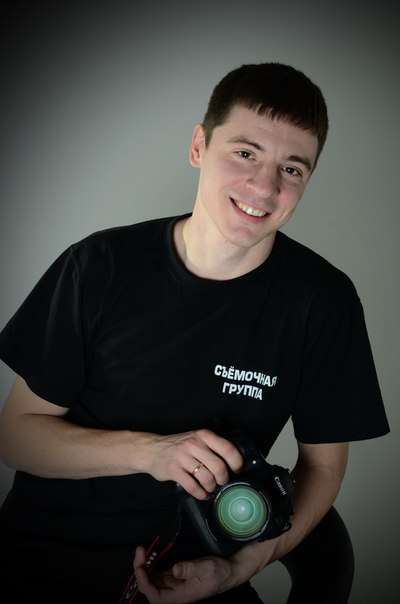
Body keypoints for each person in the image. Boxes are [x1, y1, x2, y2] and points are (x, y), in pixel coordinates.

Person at [0, 62, 389, 604]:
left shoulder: (323, 301)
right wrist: (152, 453)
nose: (265, 187)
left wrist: (241, 567)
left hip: (203, 573)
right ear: (199, 146)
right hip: (44, 558)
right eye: (246, 153)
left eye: (292, 169)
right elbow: (16, 436)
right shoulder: (99, 265)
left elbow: (322, 467)